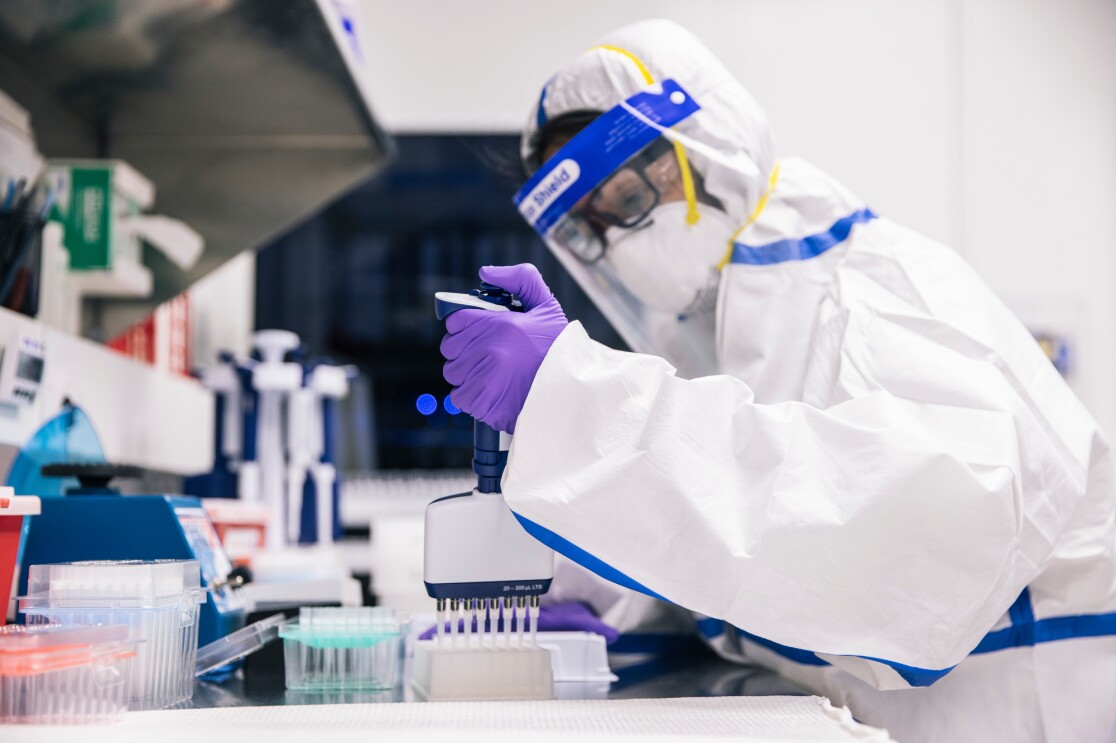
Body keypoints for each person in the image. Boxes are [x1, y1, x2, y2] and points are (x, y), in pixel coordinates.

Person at [439, 19, 1116, 743]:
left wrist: (578, 399)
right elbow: (761, 522)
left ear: (713, 143)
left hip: (1018, 711)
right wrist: (632, 598)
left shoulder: (876, 287)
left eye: (629, 195)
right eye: (588, 226)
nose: (617, 242)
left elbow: (917, 542)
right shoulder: (722, 326)